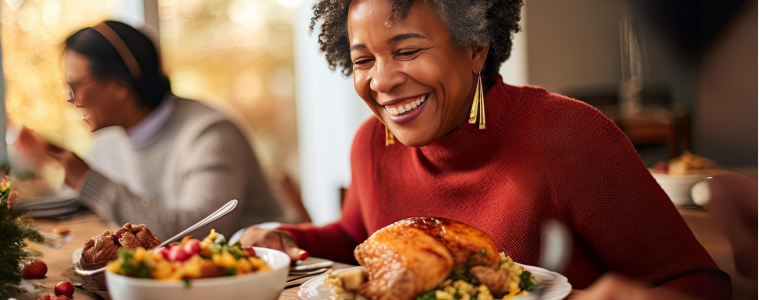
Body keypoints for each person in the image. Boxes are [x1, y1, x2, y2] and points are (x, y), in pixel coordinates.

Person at [240, 0, 730, 298]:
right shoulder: (372, 142)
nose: (382, 81)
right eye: (363, 60)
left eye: (408, 50)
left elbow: (700, 285)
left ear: (476, 46)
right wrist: (283, 238)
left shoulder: (569, 135)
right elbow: (357, 233)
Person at [29, 21, 285, 240]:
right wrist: (39, 166)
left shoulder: (210, 135)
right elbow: (82, 209)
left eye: (75, 85)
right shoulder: (110, 141)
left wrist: (90, 181)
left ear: (120, 85)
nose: (68, 98)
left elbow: (199, 233)